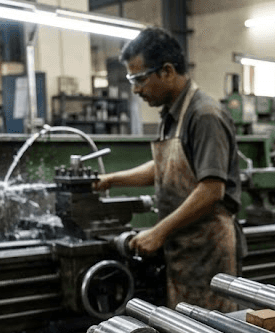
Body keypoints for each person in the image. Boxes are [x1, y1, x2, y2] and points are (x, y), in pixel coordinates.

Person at [93, 27, 243, 312]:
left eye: (139, 79)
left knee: (211, 331)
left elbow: (211, 189)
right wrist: (111, 180)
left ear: (167, 71)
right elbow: (168, 167)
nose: (135, 89)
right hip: (183, 246)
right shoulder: (172, 114)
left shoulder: (204, 115)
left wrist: (158, 232)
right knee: (185, 329)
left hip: (207, 250)